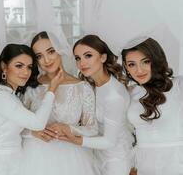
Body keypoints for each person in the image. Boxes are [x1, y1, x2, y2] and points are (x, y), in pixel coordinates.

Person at [0, 43, 64, 175]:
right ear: (4, 67)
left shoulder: (10, 94)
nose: (26, 72)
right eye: (19, 66)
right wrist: (52, 89)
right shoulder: (0, 96)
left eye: (29, 67)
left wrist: (31, 133)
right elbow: (38, 123)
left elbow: (8, 130)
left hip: (14, 160)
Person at [20, 31, 99, 175]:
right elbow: (17, 126)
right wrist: (33, 132)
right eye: (39, 56)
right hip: (35, 158)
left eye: (51, 51)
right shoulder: (31, 87)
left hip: (72, 159)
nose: (46, 60)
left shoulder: (82, 87)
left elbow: (92, 128)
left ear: (60, 50)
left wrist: (69, 128)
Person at [56, 34, 133, 175]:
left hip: (115, 161)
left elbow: (109, 141)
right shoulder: (90, 85)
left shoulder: (114, 95)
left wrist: (76, 140)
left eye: (88, 56)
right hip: (95, 155)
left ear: (103, 57)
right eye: (78, 58)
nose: (82, 63)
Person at [121, 37, 183, 175]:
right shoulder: (130, 92)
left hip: (176, 163)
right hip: (144, 164)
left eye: (146, 62)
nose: (139, 70)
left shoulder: (178, 85)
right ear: (126, 67)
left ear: (156, 60)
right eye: (132, 64)